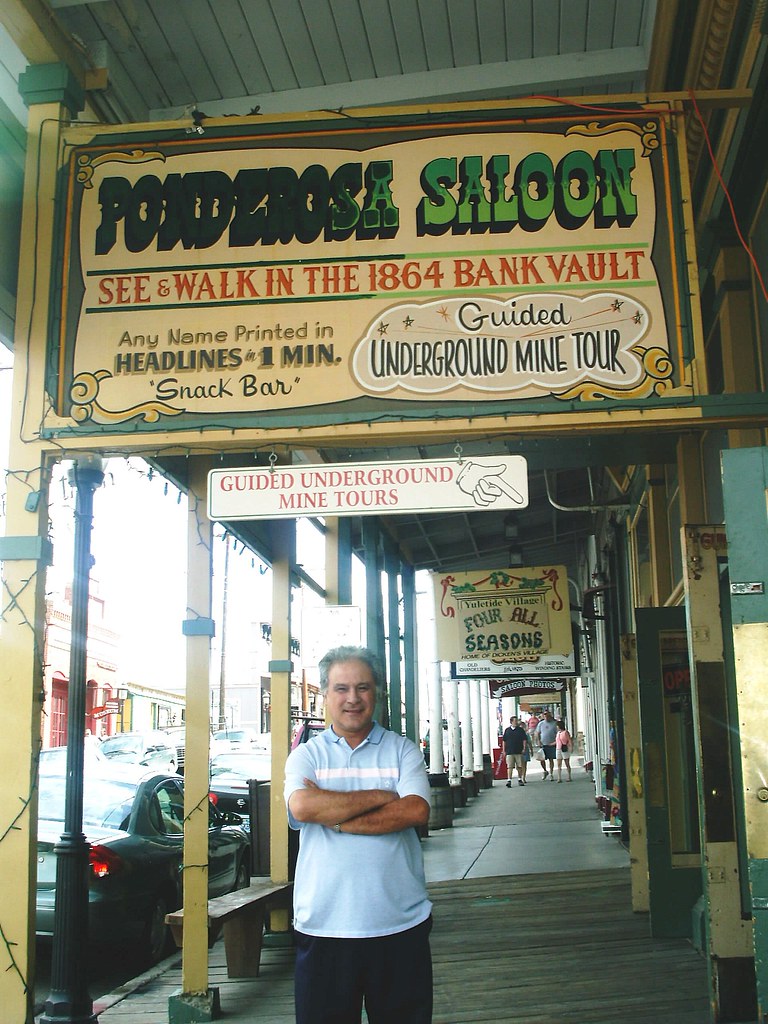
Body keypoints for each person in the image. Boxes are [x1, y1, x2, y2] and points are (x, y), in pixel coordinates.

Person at [284, 645, 433, 1024]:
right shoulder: (307, 756)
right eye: (341, 688)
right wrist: (382, 797)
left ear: (378, 691)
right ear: (325, 694)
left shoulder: (403, 751)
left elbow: (415, 810)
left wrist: (334, 816)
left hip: (399, 924)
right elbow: (303, 807)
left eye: (363, 688)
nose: (353, 698)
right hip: (324, 926)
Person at [501, 715, 528, 787]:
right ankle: (509, 780)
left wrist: (524, 748)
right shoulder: (507, 730)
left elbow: (524, 740)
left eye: (517, 721)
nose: (516, 722)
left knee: (519, 766)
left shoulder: (520, 730)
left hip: (519, 751)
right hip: (509, 751)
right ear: (511, 722)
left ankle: (520, 779)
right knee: (509, 766)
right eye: (515, 721)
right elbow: (504, 740)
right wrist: (504, 750)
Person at [536, 709, 558, 780]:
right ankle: (545, 771)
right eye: (545, 715)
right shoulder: (541, 724)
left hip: (551, 744)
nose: (546, 716)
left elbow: (558, 733)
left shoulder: (554, 723)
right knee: (542, 759)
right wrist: (538, 741)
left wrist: (555, 742)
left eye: (547, 715)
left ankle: (551, 773)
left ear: (550, 715)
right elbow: (537, 733)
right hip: (543, 744)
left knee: (551, 759)